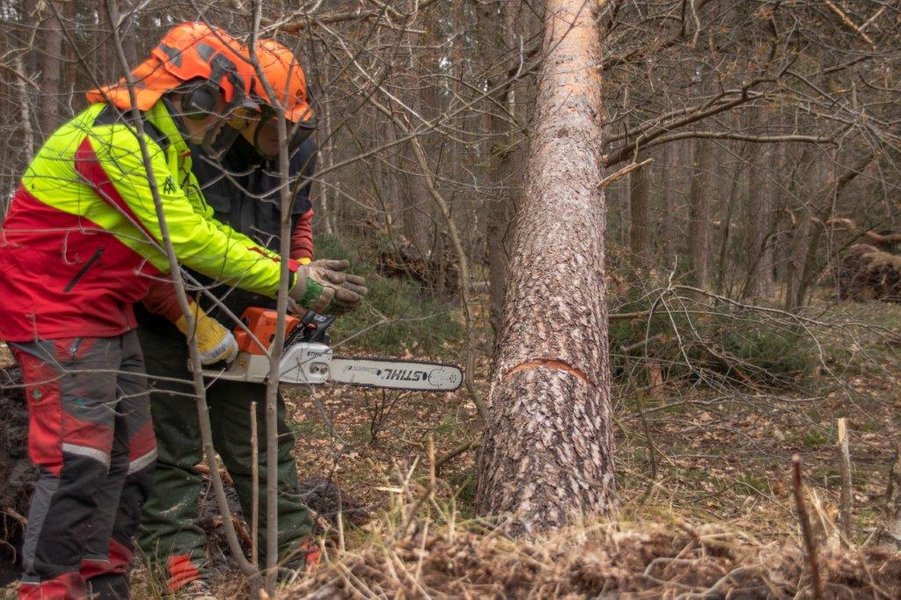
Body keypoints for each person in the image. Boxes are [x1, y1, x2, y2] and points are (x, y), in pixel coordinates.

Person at [0, 23, 365, 600]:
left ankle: (103, 584)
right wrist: (281, 287)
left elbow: (208, 228)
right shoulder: (119, 142)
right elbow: (187, 240)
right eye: (223, 112)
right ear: (195, 97)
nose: (222, 126)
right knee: (79, 458)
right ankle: (50, 591)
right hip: (60, 308)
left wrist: (293, 274)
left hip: (108, 306)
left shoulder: (163, 146)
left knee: (134, 457)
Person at [134, 39, 330, 596]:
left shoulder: (299, 153)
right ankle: (178, 567)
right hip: (166, 318)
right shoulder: (187, 146)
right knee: (172, 449)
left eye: (294, 125)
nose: (286, 136)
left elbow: (298, 217)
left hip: (247, 316)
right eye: (276, 124)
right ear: (243, 111)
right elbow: (144, 246)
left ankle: (292, 558)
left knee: (263, 444)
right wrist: (188, 319)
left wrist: (301, 275)